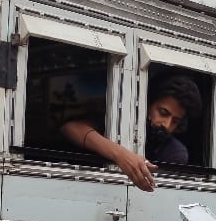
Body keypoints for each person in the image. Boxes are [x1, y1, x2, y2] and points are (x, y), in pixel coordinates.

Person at [60, 75, 202, 192]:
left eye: (175, 121)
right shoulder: (120, 121)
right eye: (163, 113)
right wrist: (121, 155)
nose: (167, 124)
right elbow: (70, 128)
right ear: (147, 103)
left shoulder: (175, 152)